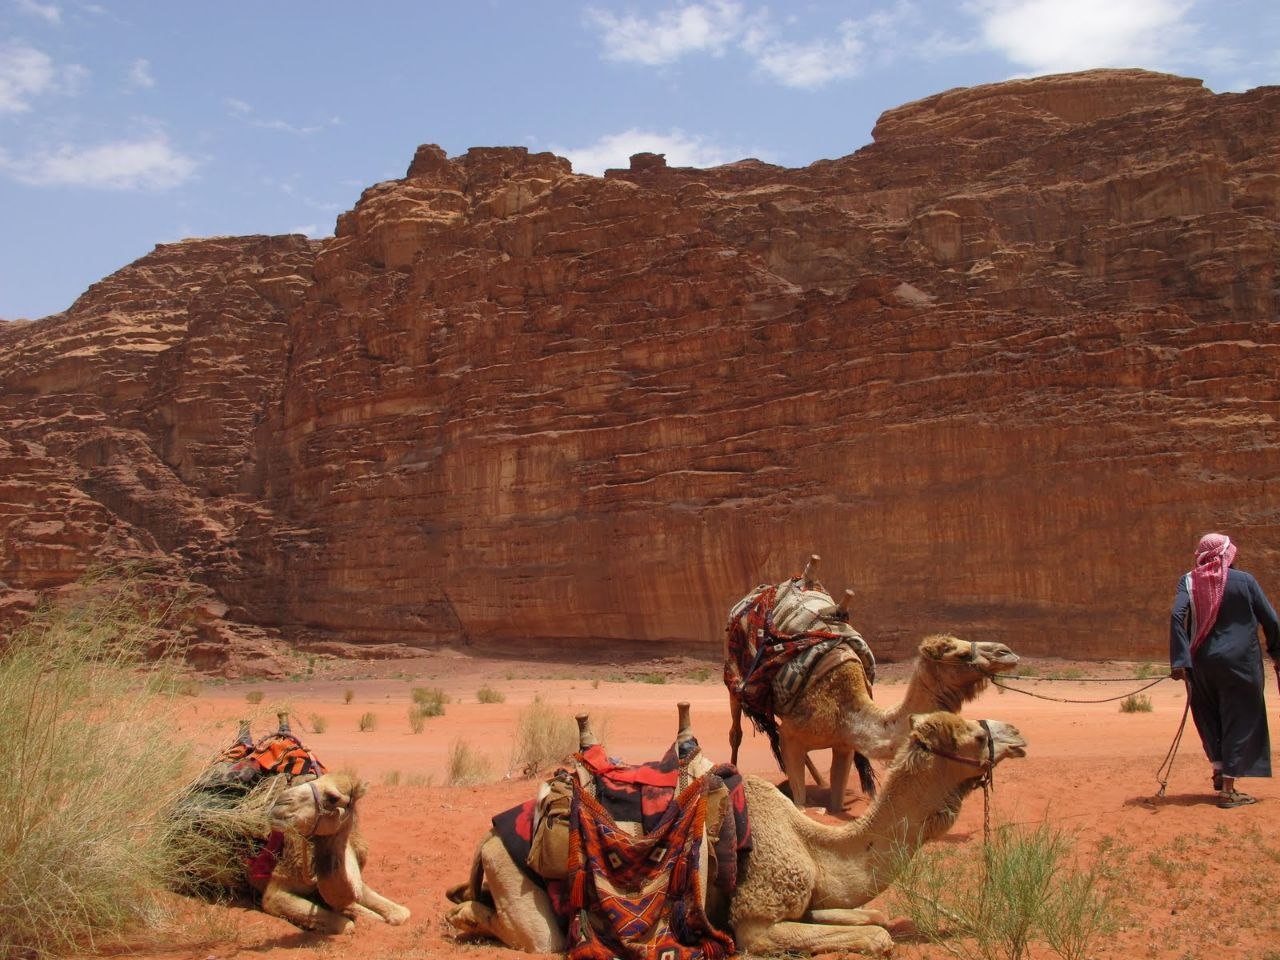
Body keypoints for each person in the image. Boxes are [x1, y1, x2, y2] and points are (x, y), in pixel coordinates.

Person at [1169, 532, 1280, 808]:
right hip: (1241, 665)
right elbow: (1271, 621)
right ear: (1228, 554)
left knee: (1209, 717)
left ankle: (1219, 770)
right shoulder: (1245, 582)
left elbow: (1176, 615)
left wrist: (1180, 659)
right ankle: (1229, 790)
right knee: (1240, 719)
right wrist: (1277, 654)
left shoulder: (1188, 581)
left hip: (1202, 665)